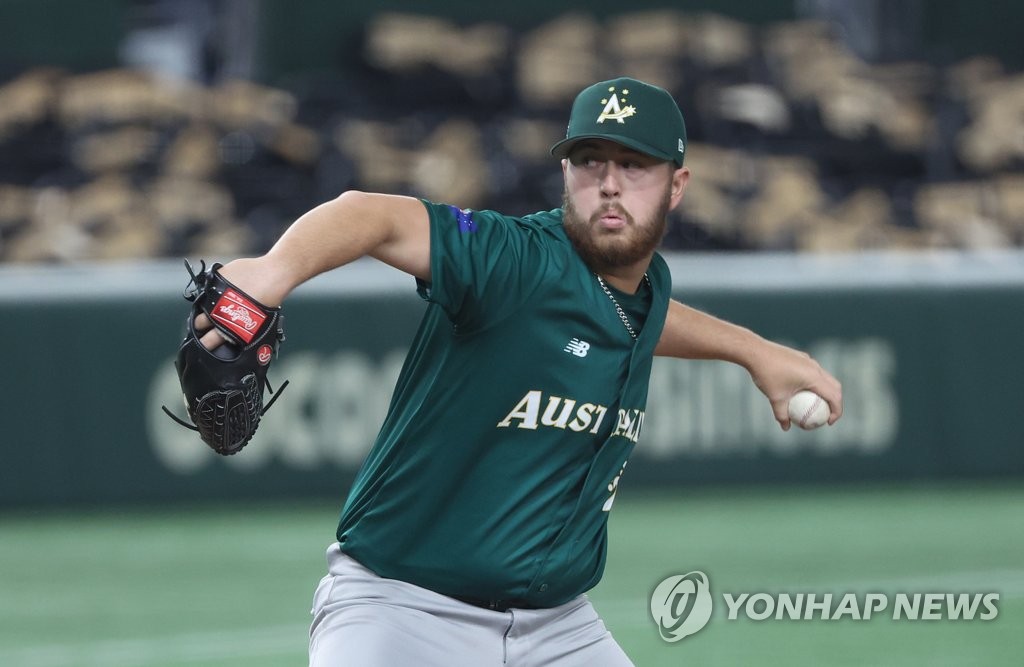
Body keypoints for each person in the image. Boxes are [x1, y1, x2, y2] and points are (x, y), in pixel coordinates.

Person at [194, 77, 842, 666]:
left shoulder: (644, 292)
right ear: (565, 175)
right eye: (590, 163)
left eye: (634, 165)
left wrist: (756, 351)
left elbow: (637, 320)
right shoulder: (513, 261)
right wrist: (271, 274)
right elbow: (370, 215)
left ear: (677, 186)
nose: (609, 183)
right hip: (403, 608)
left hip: (560, 628)